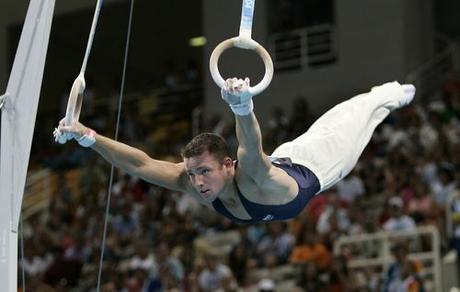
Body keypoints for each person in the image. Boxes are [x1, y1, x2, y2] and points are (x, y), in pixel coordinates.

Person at [54, 78, 416, 223]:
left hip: (319, 164)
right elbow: (140, 162)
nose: (196, 182)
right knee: (355, 117)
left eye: (205, 171)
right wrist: (88, 137)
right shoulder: (192, 182)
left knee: (357, 114)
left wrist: (242, 106)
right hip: (288, 158)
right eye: (193, 173)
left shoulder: (253, 175)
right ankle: (382, 99)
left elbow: (252, 146)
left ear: (228, 165)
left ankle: (388, 93)